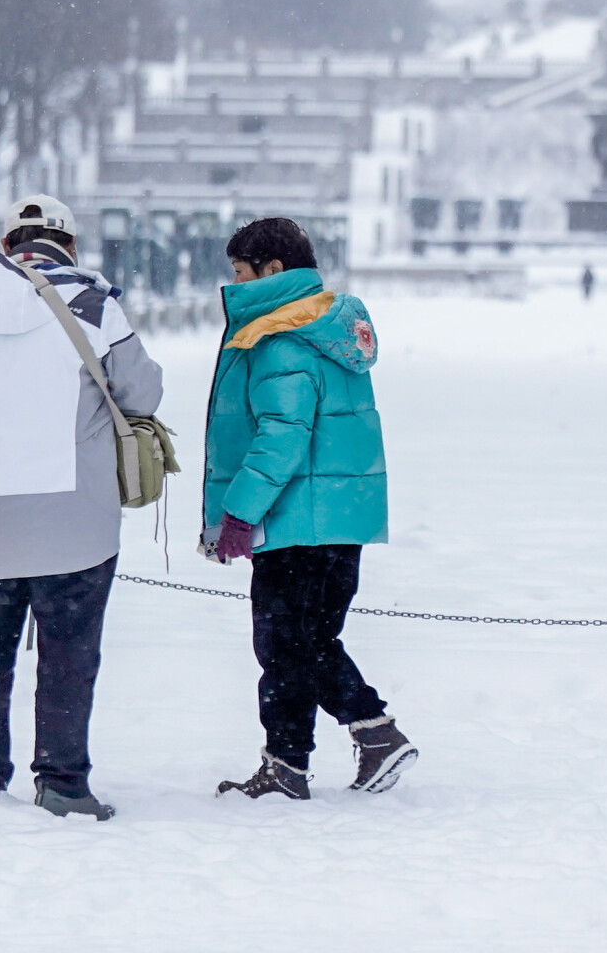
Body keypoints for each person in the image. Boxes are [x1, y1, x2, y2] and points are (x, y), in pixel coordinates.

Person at [0, 194, 163, 819]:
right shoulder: (96, 309)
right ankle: (63, 784)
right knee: (70, 656)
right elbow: (144, 391)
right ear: (68, 246)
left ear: (7, 244)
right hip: (75, 520)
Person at [204, 217, 416, 801]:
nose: (234, 284)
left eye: (240, 272)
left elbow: (281, 437)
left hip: (297, 519)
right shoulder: (324, 329)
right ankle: (287, 765)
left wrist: (238, 514)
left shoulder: (281, 340)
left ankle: (375, 735)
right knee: (303, 642)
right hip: (337, 516)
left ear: (273, 272)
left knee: (292, 645)